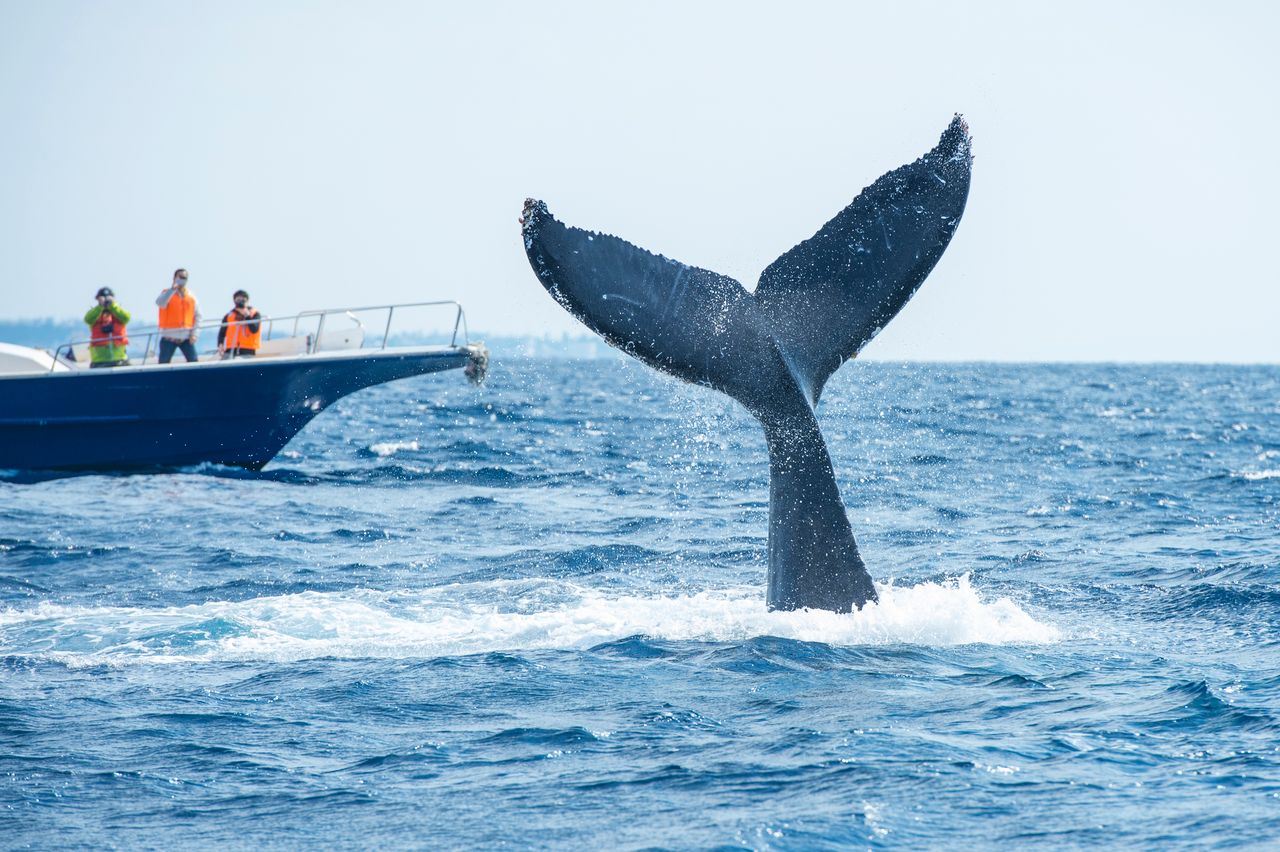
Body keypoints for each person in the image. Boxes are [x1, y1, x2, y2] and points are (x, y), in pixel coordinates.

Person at [155, 268, 201, 363]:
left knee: (194, 363)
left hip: (186, 338)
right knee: (163, 365)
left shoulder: (191, 296)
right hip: (168, 338)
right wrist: (172, 290)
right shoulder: (166, 293)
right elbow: (160, 303)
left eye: (184, 278)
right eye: (180, 277)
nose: (182, 279)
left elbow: (198, 316)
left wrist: (195, 334)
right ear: (174, 278)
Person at [83, 287, 131, 368]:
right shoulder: (94, 312)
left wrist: (113, 306)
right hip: (99, 361)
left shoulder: (118, 311)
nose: (105, 301)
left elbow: (126, 317)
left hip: (119, 360)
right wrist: (100, 307)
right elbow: (87, 319)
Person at [217, 289, 262, 357]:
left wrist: (247, 316)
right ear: (234, 301)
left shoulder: (255, 314)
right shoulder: (229, 316)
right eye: (238, 300)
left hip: (247, 350)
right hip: (230, 350)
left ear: (247, 300)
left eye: (243, 300)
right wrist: (220, 344)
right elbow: (222, 332)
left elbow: (254, 329)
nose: (240, 302)